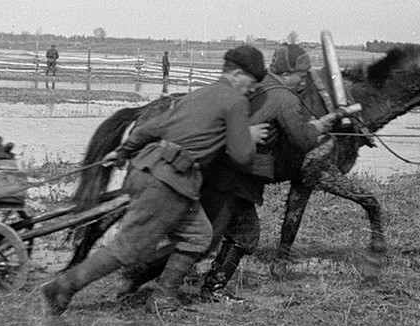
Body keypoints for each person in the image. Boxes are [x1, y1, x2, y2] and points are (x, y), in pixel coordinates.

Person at [41, 45, 269, 314]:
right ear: (236, 74)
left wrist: (122, 152)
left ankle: (163, 300)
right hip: (167, 184)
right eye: (251, 82)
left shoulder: (197, 96)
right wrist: (248, 135)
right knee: (127, 250)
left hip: (154, 173)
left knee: (199, 236)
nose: (253, 89)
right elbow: (242, 156)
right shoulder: (235, 102)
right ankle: (62, 287)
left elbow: (152, 127)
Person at [117, 43, 340, 304]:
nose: (304, 81)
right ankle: (195, 286)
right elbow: (302, 141)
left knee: (211, 236)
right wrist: (319, 127)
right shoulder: (285, 98)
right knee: (234, 236)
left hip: (219, 171)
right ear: (288, 74)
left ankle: (149, 278)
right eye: (302, 75)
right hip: (236, 178)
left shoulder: (260, 83)